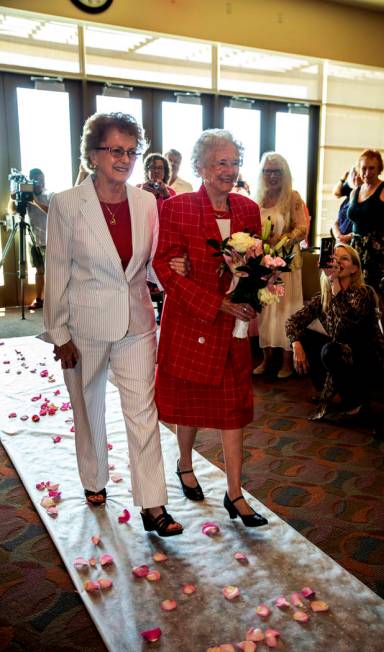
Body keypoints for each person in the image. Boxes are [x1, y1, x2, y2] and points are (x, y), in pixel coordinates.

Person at [43, 112, 182, 538]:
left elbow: (151, 266)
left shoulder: (146, 203)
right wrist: (59, 333)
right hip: (84, 325)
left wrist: (177, 271)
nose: (124, 159)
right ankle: (94, 479)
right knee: (89, 408)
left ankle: (152, 504)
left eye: (131, 151)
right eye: (115, 150)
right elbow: (56, 270)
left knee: (143, 410)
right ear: (92, 154)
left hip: (137, 321)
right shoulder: (67, 204)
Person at [153, 128, 268, 528]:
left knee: (233, 410)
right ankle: (185, 463)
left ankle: (234, 493)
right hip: (193, 322)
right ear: (201, 166)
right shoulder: (178, 207)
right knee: (191, 406)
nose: (230, 170)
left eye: (235, 162)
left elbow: (257, 266)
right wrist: (216, 303)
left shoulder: (248, 209)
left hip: (233, 328)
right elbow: (166, 269)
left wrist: (256, 298)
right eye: (222, 163)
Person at [286, 244, 384, 420]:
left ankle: (354, 402)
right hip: (340, 353)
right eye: (335, 258)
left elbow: (345, 330)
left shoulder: (364, 293)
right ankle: (334, 392)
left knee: (331, 350)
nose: (338, 262)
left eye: (344, 258)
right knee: (304, 337)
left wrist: (334, 282)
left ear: (355, 268)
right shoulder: (324, 297)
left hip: (366, 356)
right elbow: (292, 322)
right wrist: (296, 344)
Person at [253, 152, 307, 379]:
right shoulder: (257, 199)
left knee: (286, 310)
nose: (272, 176)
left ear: (284, 174)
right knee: (266, 312)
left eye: (276, 171)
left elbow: (302, 228)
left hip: (287, 264)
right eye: (267, 171)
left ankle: (286, 361)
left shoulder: (292, 197)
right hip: (265, 262)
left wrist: (282, 239)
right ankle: (267, 359)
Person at [347, 149, 384, 290]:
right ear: (358, 169)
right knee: (355, 291)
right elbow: (356, 222)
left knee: (376, 294)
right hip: (356, 249)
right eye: (364, 168)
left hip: (379, 254)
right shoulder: (354, 192)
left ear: (379, 169)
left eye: (372, 168)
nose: (367, 172)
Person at [8, 168, 53, 309]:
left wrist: (34, 201)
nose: (38, 183)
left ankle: (52, 301)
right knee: (38, 271)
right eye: (35, 181)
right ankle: (39, 299)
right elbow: (12, 211)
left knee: (51, 272)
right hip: (32, 238)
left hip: (48, 239)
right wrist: (13, 196)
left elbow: (52, 212)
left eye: (40, 180)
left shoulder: (50, 194)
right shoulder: (27, 195)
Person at [331, 166, 362, 244]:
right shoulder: (350, 190)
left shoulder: (365, 197)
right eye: (354, 174)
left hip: (352, 242)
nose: (356, 177)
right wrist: (339, 236)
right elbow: (336, 193)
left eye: (359, 174)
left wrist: (346, 238)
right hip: (340, 240)